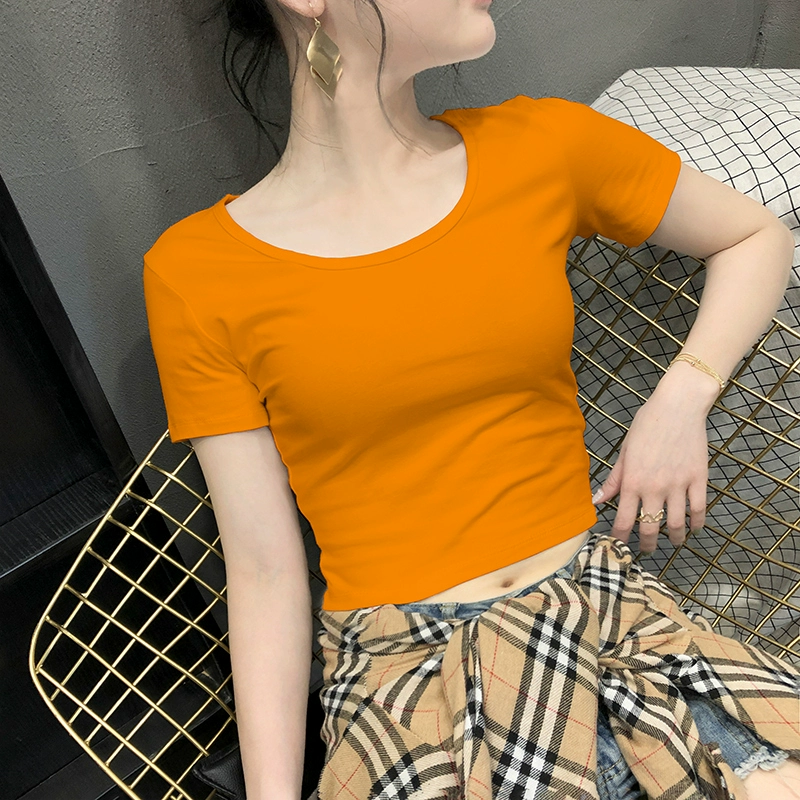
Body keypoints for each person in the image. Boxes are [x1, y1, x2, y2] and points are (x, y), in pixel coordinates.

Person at [142, 1, 800, 798]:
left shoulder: (544, 145)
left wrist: (682, 396)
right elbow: (263, 572)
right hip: (409, 685)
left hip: (610, 626)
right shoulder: (197, 274)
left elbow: (756, 235)